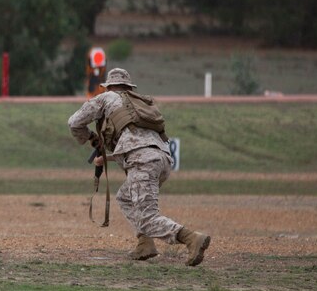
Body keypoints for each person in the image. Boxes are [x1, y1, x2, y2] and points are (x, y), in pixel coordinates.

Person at [67, 68, 211, 266]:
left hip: (143, 162)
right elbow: (138, 144)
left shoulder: (106, 97)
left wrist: (91, 138)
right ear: (128, 86)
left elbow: (74, 122)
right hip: (163, 159)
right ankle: (145, 244)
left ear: (109, 86)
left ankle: (191, 238)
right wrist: (106, 158)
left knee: (147, 217)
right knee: (125, 197)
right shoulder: (139, 103)